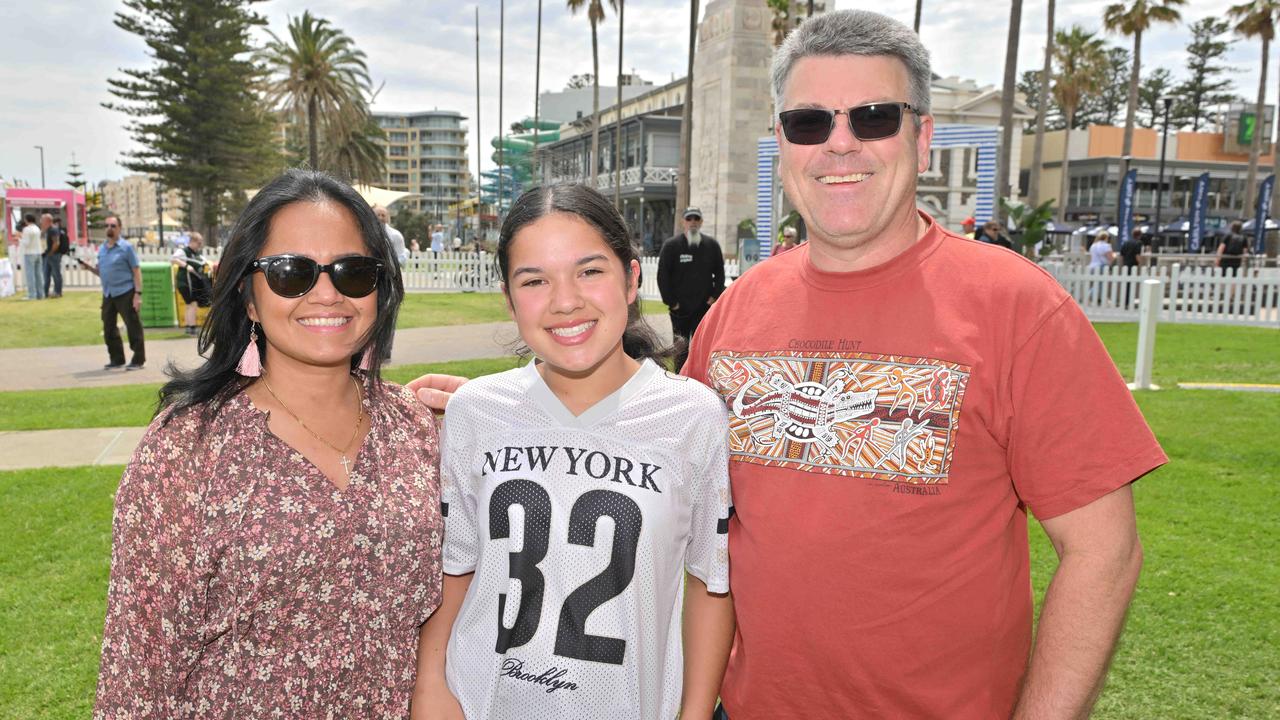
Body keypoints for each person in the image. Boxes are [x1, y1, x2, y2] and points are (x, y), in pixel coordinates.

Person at [94, 169, 443, 719]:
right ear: (249, 297)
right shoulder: (187, 450)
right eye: (291, 273)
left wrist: (486, 415)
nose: (327, 293)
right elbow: (138, 672)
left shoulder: (419, 431)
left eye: (353, 272)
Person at [410, 184, 734, 720]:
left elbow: (709, 582)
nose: (566, 300)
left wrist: (694, 714)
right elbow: (457, 568)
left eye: (589, 271)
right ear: (509, 300)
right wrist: (431, 687)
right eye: (535, 280)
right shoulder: (475, 411)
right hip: (484, 701)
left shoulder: (692, 417)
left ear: (631, 279)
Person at [656, 207, 725, 369]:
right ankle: (680, 376)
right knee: (680, 346)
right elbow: (663, 276)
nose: (692, 222)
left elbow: (720, 273)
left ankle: (701, 376)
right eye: (689, 219)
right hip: (680, 309)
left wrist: (714, 296)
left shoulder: (711, 245)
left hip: (704, 307)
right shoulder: (671, 246)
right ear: (683, 222)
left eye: (696, 219)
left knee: (703, 344)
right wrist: (672, 302)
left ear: (700, 222)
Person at [77, 214, 146, 370]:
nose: (109, 228)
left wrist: (138, 294)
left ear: (119, 228)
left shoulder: (126, 247)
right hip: (108, 293)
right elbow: (101, 272)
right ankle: (117, 359)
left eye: (113, 226)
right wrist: (88, 268)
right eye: (107, 225)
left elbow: (136, 271)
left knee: (133, 325)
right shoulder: (102, 249)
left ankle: (138, 359)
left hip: (126, 292)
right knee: (108, 327)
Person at [171, 231, 214, 335]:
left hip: (195, 283)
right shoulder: (183, 251)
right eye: (199, 243)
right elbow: (173, 259)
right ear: (192, 241)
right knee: (192, 304)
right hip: (186, 283)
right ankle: (191, 327)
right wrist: (185, 266)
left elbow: (205, 262)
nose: (200, 245)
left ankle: (189, 327)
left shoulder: (197, 254)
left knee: (190, 305)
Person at [18, 213, 45, 300]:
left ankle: (32, 295)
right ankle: (40, 294)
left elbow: (26, 243)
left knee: (30, 275)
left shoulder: (26, 229)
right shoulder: (37, 228)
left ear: (26, 220)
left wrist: (19, 238)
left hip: (29, 253)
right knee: (38, 275)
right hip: (38, 252)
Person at [44, 214, 67, 298]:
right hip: (49, 254)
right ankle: (45, 292)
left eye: (43, 220)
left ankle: (58, 291)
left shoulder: (53, 230)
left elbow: (56, 243)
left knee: (56, 274)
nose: (41, 222)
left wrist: (51, 252)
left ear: (48, 221)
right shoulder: (48, 230)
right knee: (46, 274)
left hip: (54, 255)